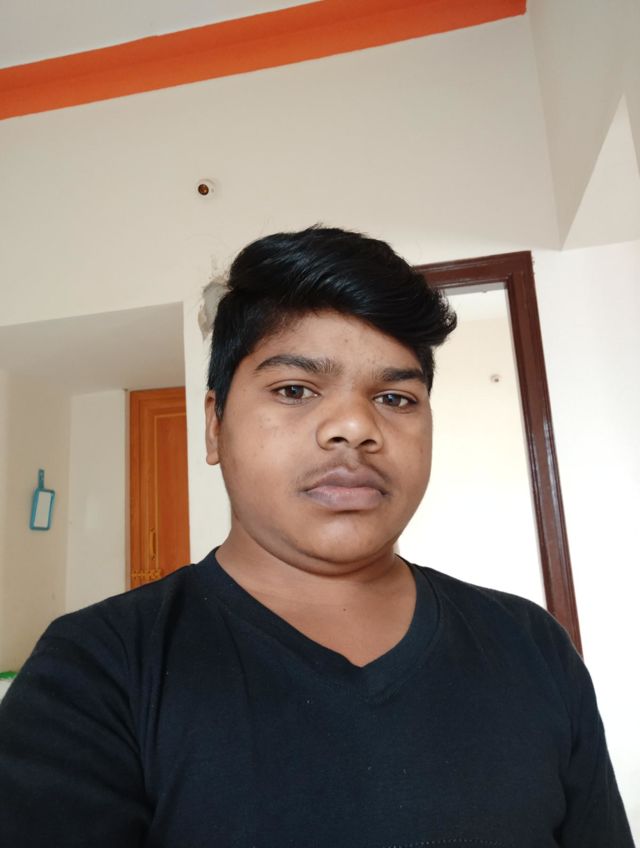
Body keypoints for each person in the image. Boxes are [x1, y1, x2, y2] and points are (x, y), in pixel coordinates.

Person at [0, 227, 634, 847]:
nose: (354, 427)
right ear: (215, 426)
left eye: (395, 398)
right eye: (295, 390)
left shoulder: (532, 646)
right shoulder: (100, 667)